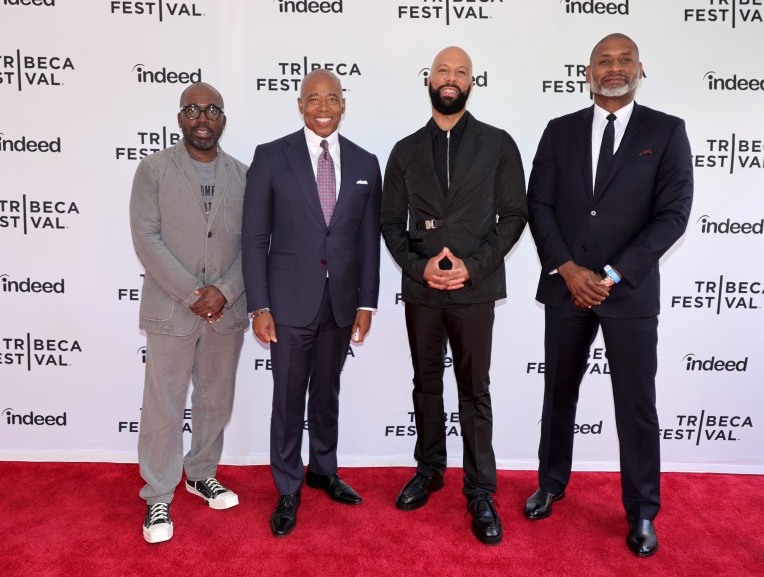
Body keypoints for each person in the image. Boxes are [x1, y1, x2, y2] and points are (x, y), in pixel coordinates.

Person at [524, 33, 694, 557]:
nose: (614, 68)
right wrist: (568, 269)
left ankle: (642, 509)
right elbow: (539, 205)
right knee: (559, 396)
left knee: (636, 406)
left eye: (624, 60)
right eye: (604, 61)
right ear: (589, 71)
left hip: (629, 293)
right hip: (566, 287)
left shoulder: (666, 132)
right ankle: (551, 482)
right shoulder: (559, 131)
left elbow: (674, 214)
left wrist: (614, 275)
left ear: (640, 69)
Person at [381, 46, 528, 546]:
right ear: (429, 79)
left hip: (476, 289)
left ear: (471, 82)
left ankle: (481, 490)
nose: (451, 78)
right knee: (426, 385)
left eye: (460, 72)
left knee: (474, 391)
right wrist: (421, 267)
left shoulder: (499, 144)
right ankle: (429, 470)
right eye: (443, 70)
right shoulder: (404, 150)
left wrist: (473, 266)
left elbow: (514, 216)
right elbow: (389, 222)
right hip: (423, 291)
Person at [242, 69, 382, 538]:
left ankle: (323, 469)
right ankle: (287, 487)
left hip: (340, 303)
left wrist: (367, 304)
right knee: (287, 398)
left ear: (344, 105)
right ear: (300, 105)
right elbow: (254, 236)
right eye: (313, 99)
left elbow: (366, 240)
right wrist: (259, 306)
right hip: (286, 304)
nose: (323, 107)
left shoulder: (365, 163)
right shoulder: (270, 157)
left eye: (332, 99)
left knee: (327, 394)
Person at [130, 82, 249, 544]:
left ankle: (201, 473)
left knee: (215, 400)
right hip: (171, 309)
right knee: (164, 404)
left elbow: (254, 245)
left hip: (226, 312)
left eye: (212, 110)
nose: (203, 117)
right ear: (180, 118)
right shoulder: (153, 171)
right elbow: (146, 238)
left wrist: (223, 291)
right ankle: (158, 494)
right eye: (193, 109)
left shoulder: (244, 174)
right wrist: (192, 293)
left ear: (223, 119)